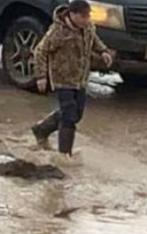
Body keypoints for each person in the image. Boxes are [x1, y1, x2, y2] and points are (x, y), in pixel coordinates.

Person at [31, 0, 113, 162]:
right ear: (73, 14)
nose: (87, 19)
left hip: (80, 78)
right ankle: (64, 155)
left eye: (88, 16)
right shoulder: (57, 32)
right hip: (62, 79)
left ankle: (41, 129)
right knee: (69, 115)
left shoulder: (88, 27)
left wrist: (103, 51)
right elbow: (40, 51)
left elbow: (94, 40)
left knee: (76, 114)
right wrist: (41, 76)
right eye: (83, 16)